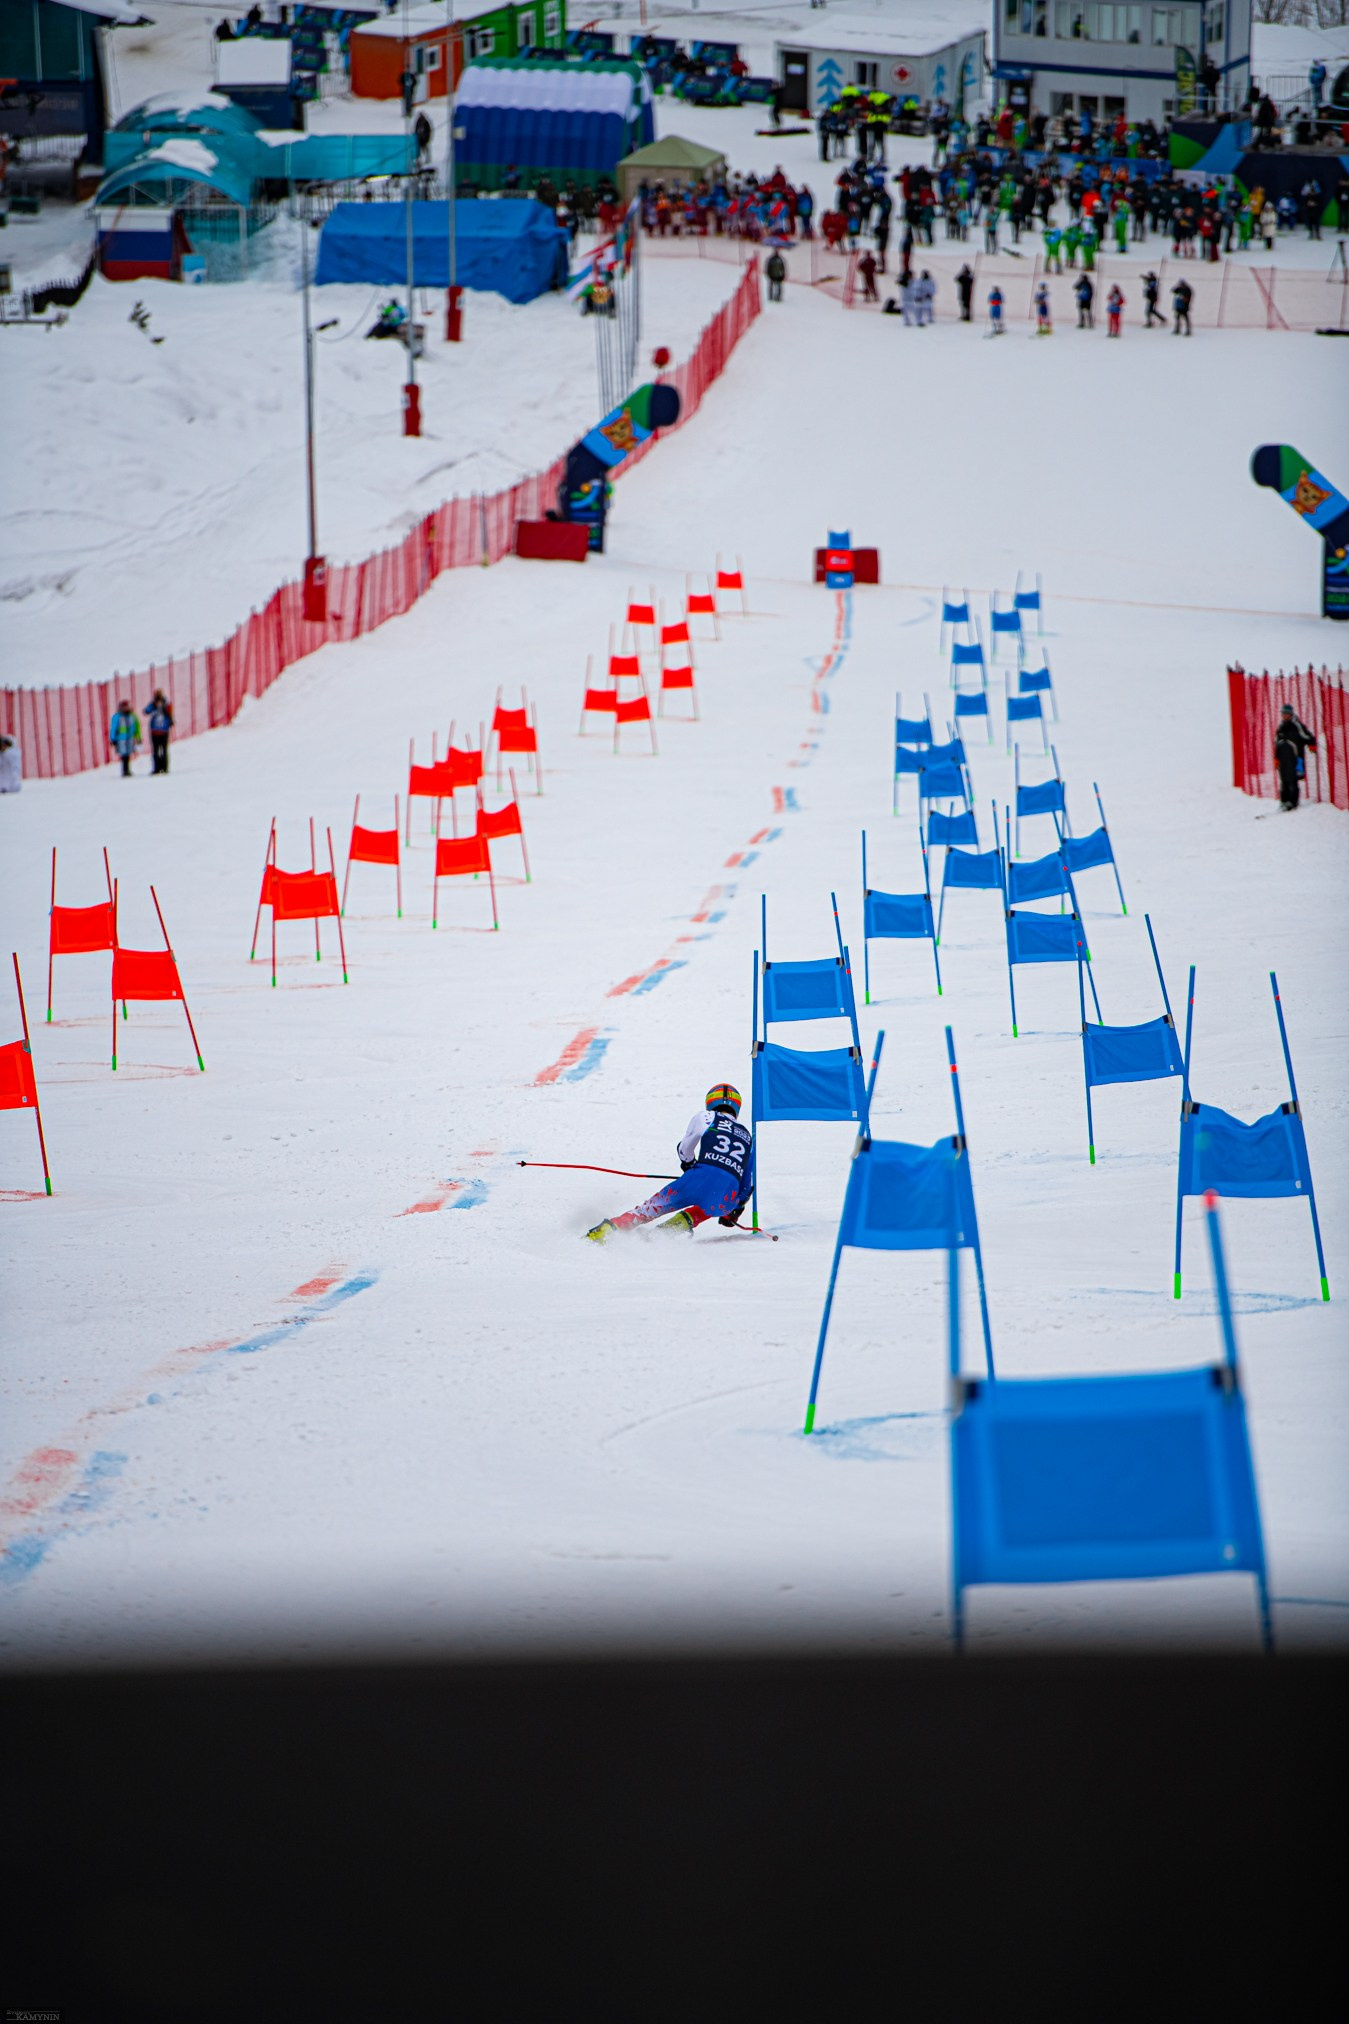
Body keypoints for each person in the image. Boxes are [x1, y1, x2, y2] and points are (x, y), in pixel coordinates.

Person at [585, 1084, 754, 1241]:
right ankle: (670, 1229)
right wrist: (734, 1211)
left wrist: (689, 1165)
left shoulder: (706, 1116)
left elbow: (685, 1149)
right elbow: (747, 1186)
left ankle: (607, 1230)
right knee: (713, 1199)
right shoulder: (747, 1135)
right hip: (725, 1197)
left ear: (710, 1102)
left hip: (697, 1178)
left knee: (647, 1210)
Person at [1275, 703, 1317, 810]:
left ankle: (1292, 802)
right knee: (1284, 780)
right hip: (1283, 759)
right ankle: (1284, 801)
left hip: (1295, 758)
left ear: (1291, 714)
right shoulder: (1281, 727)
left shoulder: (1297, 725)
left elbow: (1308, 736)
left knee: (1293, 779)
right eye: (1283, 713)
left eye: (1286, 713)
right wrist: (1276, 758)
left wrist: (1311, 744)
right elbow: (1277, 743)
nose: (1284, 715)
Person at [109, 699, 141, 777]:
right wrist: (112, 739)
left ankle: (127, 770)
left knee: (128, 754)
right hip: (121, 739)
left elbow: (137, 727)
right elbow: (113, 728)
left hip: (130, 738)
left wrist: (138, 737)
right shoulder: (117, 717)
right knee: (124, 755)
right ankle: (125, 770)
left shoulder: (132, 716)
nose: (125, 708)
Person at [145, 689, 174, 774]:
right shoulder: (152, 704)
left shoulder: (166, 703)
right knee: (156, 751)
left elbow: (170, 712)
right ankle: (157, 768)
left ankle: (164, 768)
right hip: (154, 731)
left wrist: (164, 707)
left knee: (164, 750)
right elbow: (146, 711)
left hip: (164, 730)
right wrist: (153, 704)